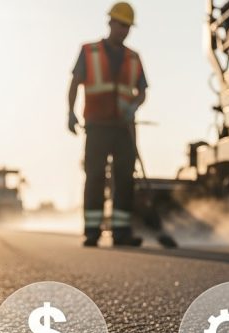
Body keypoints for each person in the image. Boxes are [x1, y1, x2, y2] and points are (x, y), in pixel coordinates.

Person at [67, 2, 147, 247]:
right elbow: (75, 83)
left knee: (125, 178)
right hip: (97, 125)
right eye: (120, 24)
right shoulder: (88, 51)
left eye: (127, 26)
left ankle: (120, 232)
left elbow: (142, 91)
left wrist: (132, 106)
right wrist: (70, 113)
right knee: (95, 177)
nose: (123, 30)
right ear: (110, 22)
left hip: (123, 127)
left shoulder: (134, 57)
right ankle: (92, 230)